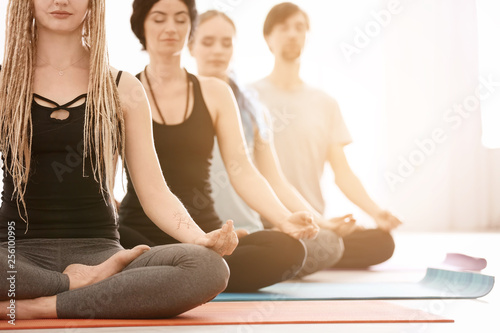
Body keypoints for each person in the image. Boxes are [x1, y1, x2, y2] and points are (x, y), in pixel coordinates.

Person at [0, 0, 237, 320]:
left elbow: (154, 191)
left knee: (208, 268)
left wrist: (200, 238)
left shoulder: (124, 88)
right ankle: (72, 285)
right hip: (16, 254)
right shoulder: (4, 84)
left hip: (103, 256)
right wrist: (72, 279)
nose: (60, 1)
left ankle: (38, 305)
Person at [119, 0, 319, 292]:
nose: (171, 28)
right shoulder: (122, 91)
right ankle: (198, 271)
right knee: (114, 244)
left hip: (208, 232)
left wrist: (284, 218)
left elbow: (243, 171)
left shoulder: (215, 93)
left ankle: (185, 272)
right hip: (142, 235)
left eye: (180, 19)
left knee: (288, 250)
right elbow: (102, 178)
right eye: (159, 19)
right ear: (141, 27)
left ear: (191, 27)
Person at [188, 10, 359, 277]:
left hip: (248, 231)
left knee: (326, 243)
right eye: (208, 42)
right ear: (191, 46)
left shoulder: (254, 109)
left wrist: (321, 222)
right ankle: (212, 269)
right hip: (194, 232)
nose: (218, 51)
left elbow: (275, 180)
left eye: (226, 43)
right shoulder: (177, 103)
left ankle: (217, 271)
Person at [251, 2, 401, 268]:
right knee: (277, 245)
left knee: (382, 242)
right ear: (267, 38)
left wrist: (377, 212)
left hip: (313, 222)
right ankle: (304, 252)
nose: (293, 34)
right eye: (283, 28)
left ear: (307, 36)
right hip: (262, 222)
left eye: (299, 28)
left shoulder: (324, 102)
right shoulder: (248, 97)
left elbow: (342, 172)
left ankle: (308, 253)